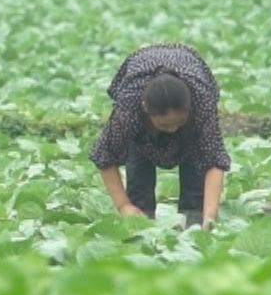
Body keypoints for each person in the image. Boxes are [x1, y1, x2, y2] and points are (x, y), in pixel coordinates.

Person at [88, 43, 231, 228]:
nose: (172, 129)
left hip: (190, 70)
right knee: (138, 188)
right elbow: (104, 156)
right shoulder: (129, 107)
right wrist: (124, 206)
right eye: (165, 124)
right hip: (141, 114)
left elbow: (214, 161)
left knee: (196, 191)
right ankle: (142, 231)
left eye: (178, 122)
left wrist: (209, 217)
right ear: (146, 109)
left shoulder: (201, 100)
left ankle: (194, 227)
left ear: (190, 109)